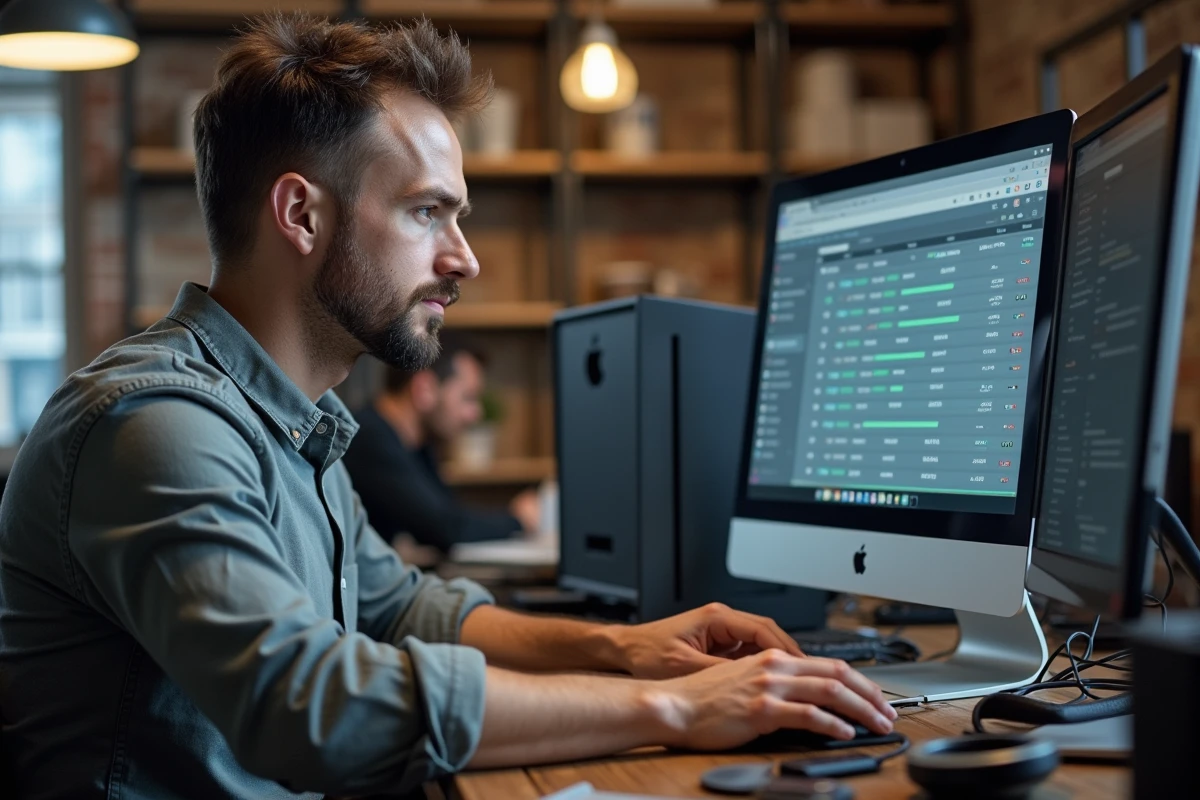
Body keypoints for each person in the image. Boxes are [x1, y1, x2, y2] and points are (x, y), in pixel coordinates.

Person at [0, 13, 894, 799]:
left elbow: (401, 607)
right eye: (429, 213)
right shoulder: (156, 426)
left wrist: (629, 650)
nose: (463, 259)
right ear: (301, 216)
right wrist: (672, 705)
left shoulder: (291, 425)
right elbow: (307, 708)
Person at [342, 341, 541, 552]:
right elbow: (446, 528)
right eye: (468, 398)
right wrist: (517, 519)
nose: (476, 414)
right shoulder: (369, 438)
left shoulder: (415, 444)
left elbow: (448, 513)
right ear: (424, 389)